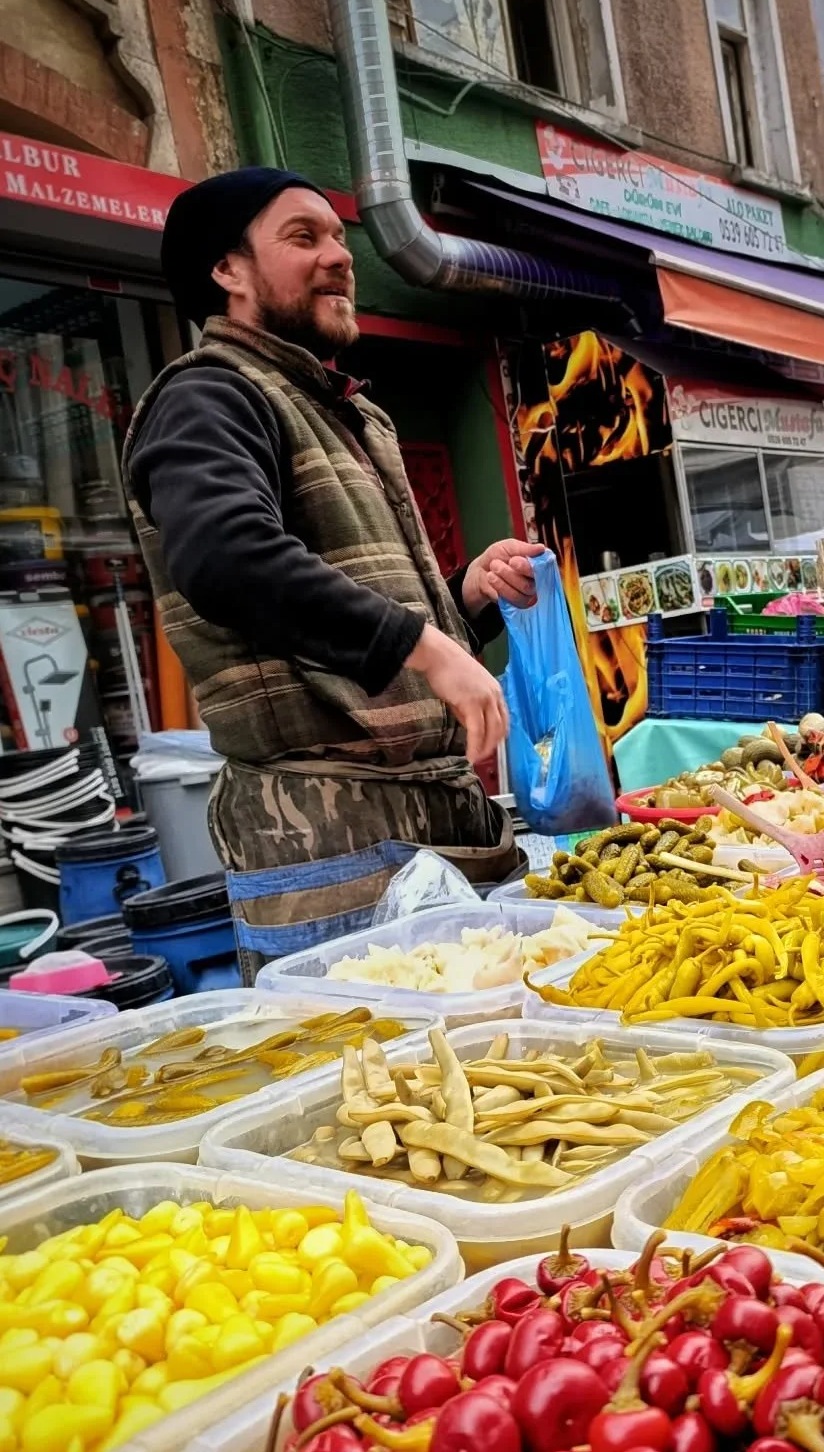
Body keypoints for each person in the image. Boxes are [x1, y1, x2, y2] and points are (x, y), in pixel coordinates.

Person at [123, 167, 545, 976]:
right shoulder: (208, 395)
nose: (339, 258)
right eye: (302, 237)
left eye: (340, 240)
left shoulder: (346, 411)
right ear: (228, 271)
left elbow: (368, 613)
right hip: (327, 842)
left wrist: (466, 599)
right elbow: (227, 558)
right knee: (380, 1087)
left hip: (430, 822)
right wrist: (427, 647)